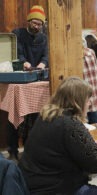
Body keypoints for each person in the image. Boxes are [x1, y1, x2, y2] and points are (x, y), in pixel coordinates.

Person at [18, 77, 97, 195]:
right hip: (55, 189)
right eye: (87, 99)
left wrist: (87, 147)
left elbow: (59, 149)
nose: (89, 103)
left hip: (31, 184)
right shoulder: (70, 123)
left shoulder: (46, 116)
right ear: (77, 102)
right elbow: (96, 163)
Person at [7, 5, 48, 161]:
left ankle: (31, 151)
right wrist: (24, 62)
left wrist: (42, 64)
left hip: (37, 79)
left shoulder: (43, 38)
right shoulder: (17, 34)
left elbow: (46, 56)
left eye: (40, 24)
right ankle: (12, 150)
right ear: (28, 21)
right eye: (34, 23)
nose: (37, 26)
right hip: (19, 80)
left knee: (37, 117)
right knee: (15, 116)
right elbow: (16, 52)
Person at [83, 38, 97, 123]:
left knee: (85, 132)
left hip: (84, 102)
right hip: (96, 99)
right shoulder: (91, 52)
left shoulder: (91, 53)